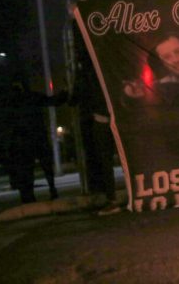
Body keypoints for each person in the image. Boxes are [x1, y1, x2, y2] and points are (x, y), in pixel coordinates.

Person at [71, 14, 121, 216]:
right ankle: (130, 194)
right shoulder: (110, 63)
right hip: (116, 116)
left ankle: (112, 199)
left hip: (102, 118)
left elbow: (77, 95)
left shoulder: (87, 70)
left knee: (105, 161)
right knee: (122, 157)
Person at [6, 79, 66, 204]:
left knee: (28, 169)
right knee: (46, 165)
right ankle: (52, 189)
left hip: (24, 140)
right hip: (38, 136)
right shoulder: (33, 97)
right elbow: (53, 101)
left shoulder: (11, 102)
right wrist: (65, 92)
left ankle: (29, 196)